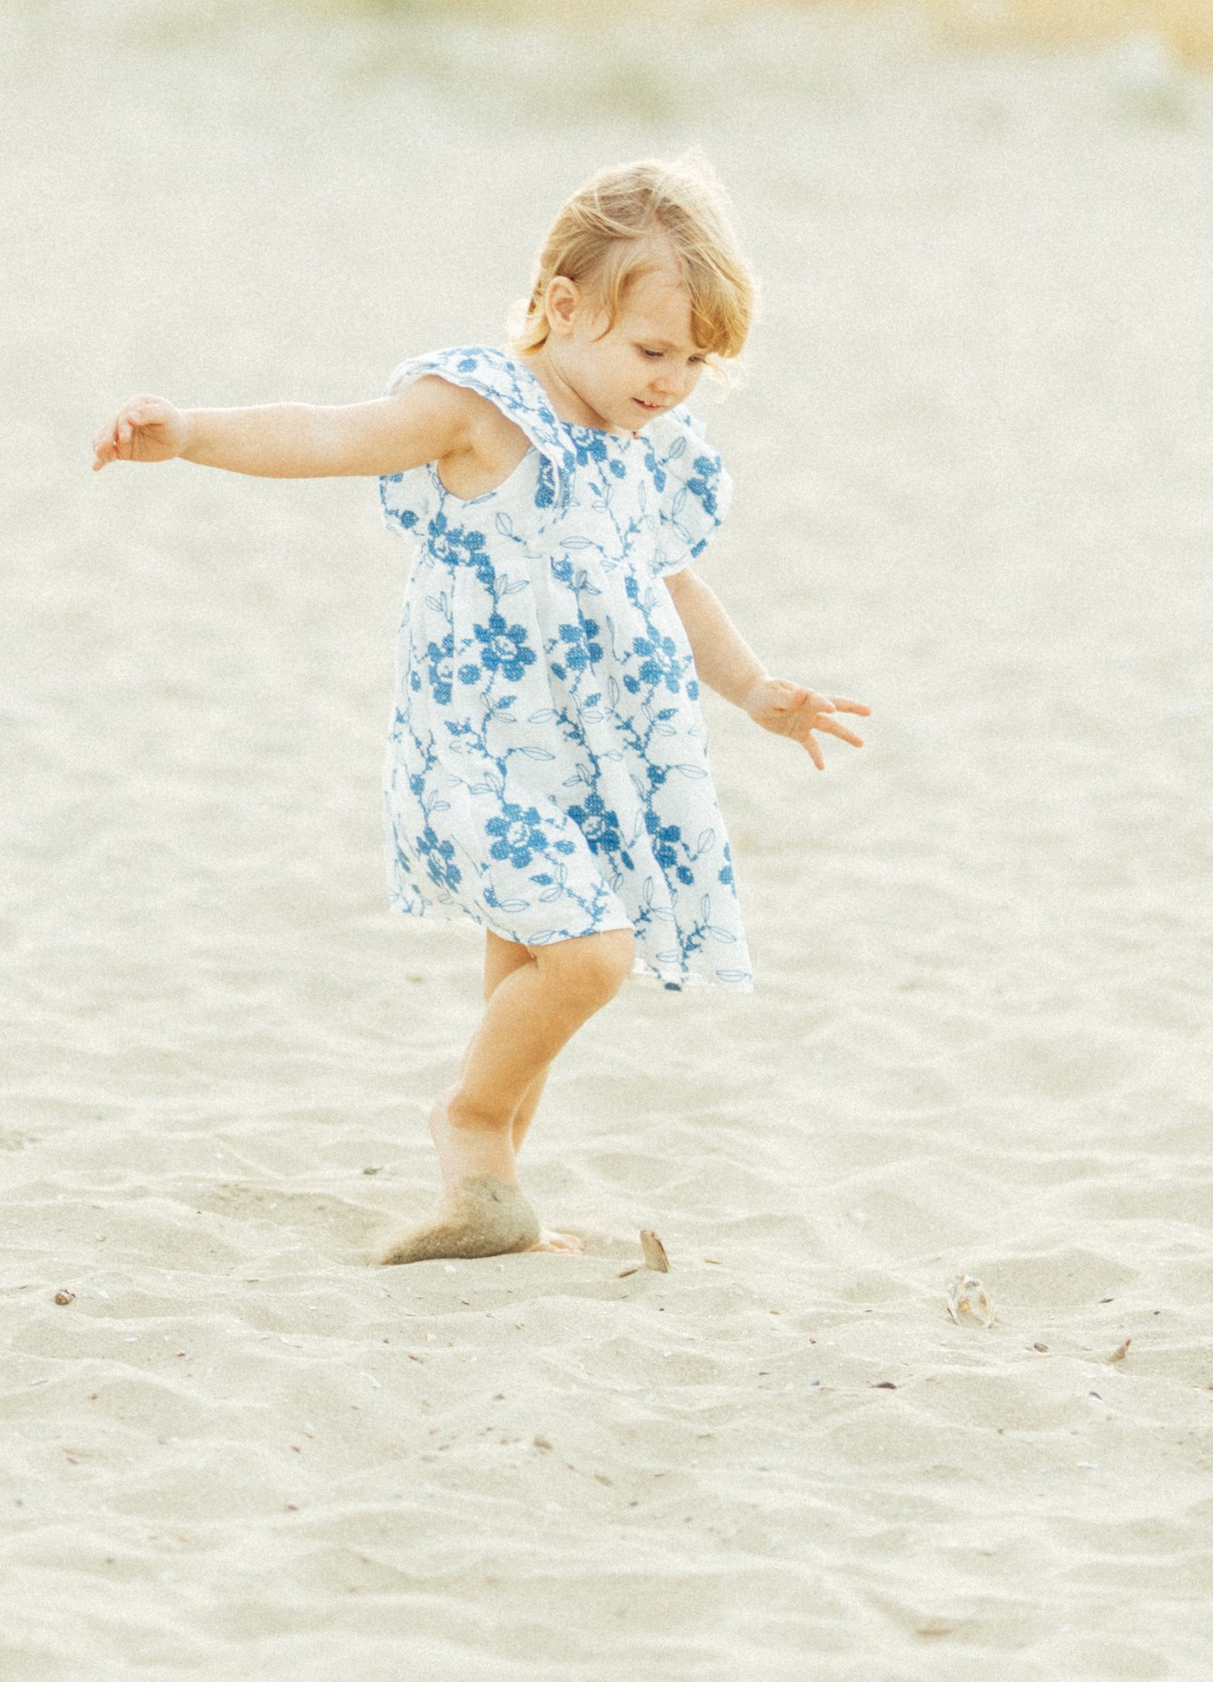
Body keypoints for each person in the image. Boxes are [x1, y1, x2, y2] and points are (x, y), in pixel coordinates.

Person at [94, 156, 865, 1260]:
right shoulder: (477, 410)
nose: (673, 382)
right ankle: (464, 1117)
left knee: (529, 979)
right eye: (654, 351)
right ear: (560, 306)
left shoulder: (639, 453)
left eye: (697, 361)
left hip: (593, 761)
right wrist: (190, 432)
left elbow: (672, 581)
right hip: (483, 760)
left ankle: (488, 1192)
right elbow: (326, 434)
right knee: (592, 956)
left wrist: (754, 688)